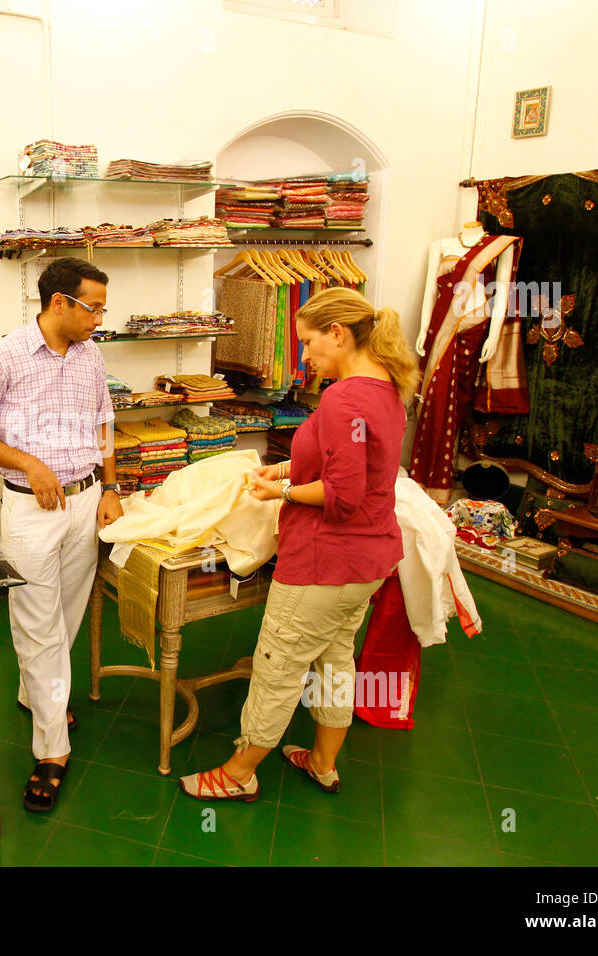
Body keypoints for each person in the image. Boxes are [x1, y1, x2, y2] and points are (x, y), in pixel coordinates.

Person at [178, 287, 419, 801]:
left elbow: (344, 495)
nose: (304, 357)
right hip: (369, 563)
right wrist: (286, 468)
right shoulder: (388, 392)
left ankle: (240, 772)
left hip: (324, 562)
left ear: (339, 333)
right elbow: (350, 465)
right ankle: (325, 762)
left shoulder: (343, 398)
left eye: (309, 343)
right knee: (335, 658)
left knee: (278, 667)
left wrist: (282, 491)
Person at [0, 257, 123, 812]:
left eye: (102, 307)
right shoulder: (1, 359)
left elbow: (104, 424)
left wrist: (112, 488)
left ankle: (35, 693)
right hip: (30, 512)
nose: (99, 317)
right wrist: (27, 462)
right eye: (92, 307)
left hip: (84, 504)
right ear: (59, 304)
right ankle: (52, 750)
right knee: (38, 628)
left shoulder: (91, 356)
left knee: (67, 612)